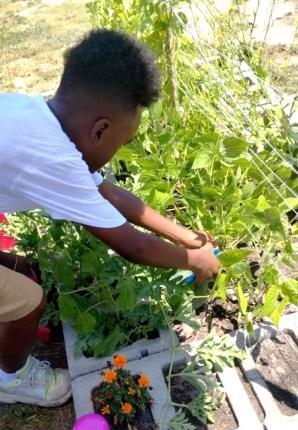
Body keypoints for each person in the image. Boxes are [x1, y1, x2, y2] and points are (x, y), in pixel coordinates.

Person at [0, 29, 220, 408]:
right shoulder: (55, 159)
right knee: (28, 299)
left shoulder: (36, 115)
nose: (118, 152)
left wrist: (184, 236)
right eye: (122, 142)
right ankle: (10, 379)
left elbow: (110, 193)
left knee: (21, 268)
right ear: (100, 129)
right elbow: (131, 246)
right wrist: (197, 261)